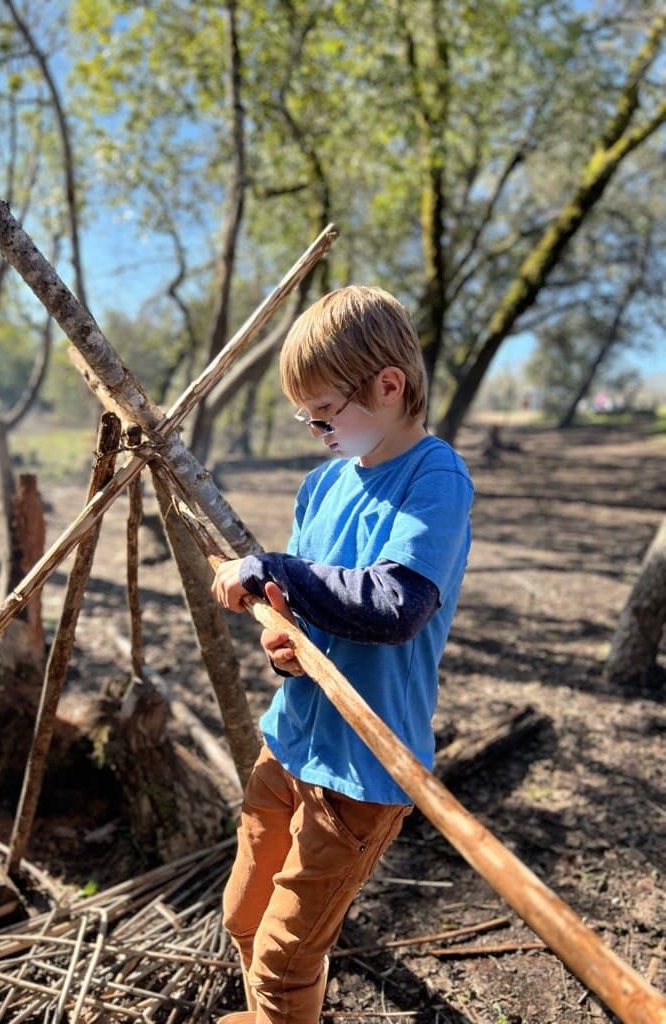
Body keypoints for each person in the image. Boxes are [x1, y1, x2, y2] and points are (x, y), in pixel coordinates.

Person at [211, 285, 473, 1024]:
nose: (317, 430)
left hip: (361, 766)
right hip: (290, 738)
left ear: (389, 386)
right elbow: (303, 610)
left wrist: (276, 571)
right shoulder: (320, 485)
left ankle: (277, 1013)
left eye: (327, 413)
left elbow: (397, 605)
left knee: (285, 955)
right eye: (308, 417)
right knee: (243, 916)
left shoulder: (434, 476)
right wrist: (281, 641)